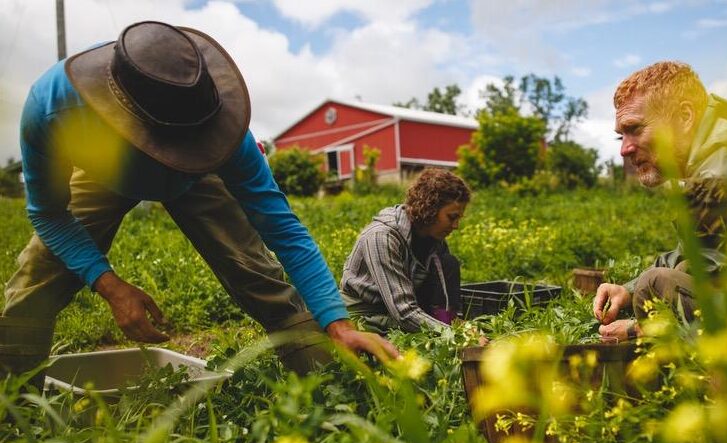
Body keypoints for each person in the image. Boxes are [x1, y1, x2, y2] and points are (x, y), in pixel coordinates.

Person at [1, 21, 398, 383]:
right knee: (38, 276)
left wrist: (339, 323)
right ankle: (16, 407)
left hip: (201, 173)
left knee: (258, 276)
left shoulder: (224, 137)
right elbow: (49, 216)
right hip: (105, 171)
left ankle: (332, 383)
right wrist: (110, 286)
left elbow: (283, 228)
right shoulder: (53, 108)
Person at [593, 60, 727, 342]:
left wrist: (638, 328)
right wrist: (626, 290)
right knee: (676, 271)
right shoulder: (723, 154)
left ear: (685, 116)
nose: (625, 149)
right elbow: (698, 252)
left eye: (636, 129)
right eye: (621, 136)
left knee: (656, 284)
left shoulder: (723, 171)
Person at [340, 168, 470, 334]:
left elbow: (438, 297)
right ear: (430, 208)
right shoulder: (382, 237)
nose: (456, 226)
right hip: (366, 315)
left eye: (459, 218)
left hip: (400, 309)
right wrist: (458, 336)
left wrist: (454, 324)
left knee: (448, 263)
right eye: (452, 217)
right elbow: (404, 313)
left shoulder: (434, 241)